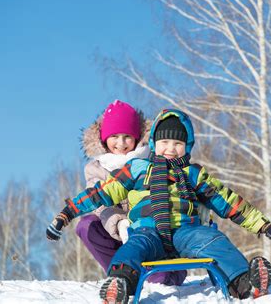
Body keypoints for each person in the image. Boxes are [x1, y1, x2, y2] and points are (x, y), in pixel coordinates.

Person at [47, 108, 271, 302]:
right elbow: (101, 193)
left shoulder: (193, 173)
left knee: (216, 242)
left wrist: (262, 225)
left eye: (178, 143)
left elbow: (227, 201)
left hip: (187, 232)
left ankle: (245, 282)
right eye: (165, 142)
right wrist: (67, 213)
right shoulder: (138, 169)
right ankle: (119, 284)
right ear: (153, 143)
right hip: (148, 231)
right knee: (130, 251)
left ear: (187, 146)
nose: (171, 148)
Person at [73, 100, 186, 286]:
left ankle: (163, 272)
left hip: (153, 231)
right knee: (87, 225)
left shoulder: (153, 160)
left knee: (160, 281)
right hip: (118, 233)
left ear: (137, 136)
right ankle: (119, 275)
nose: (121, 143)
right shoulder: (96, 168)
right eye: (114, 136)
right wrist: (120, 225)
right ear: (103, 138)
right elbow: (101, 204)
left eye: (127, 136)